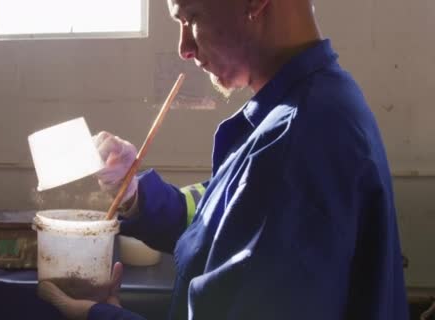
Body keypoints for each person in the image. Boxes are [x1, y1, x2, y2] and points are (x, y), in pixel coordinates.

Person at [38, 0, 409, 318]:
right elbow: (217, 222)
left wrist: (100, 317)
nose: (184, 47)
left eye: (191, 16)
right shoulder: (313, 107)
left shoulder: (295, 143)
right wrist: (133, 192)